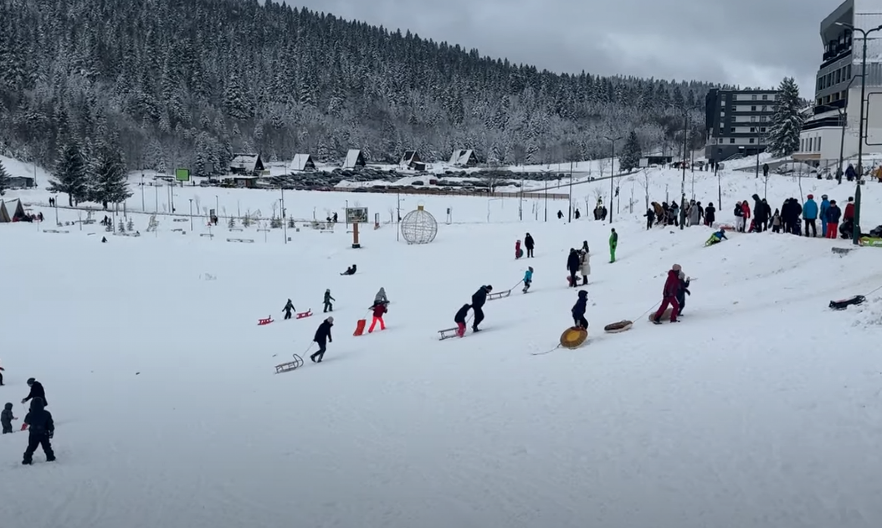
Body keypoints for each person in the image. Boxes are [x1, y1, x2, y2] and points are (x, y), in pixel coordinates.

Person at [22, 397, 55, 465]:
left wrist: (31, 412)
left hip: (33, 433)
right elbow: (50, 424)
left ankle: (27, 459)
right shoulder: (46, 413)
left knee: (31, 447)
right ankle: (50, 457)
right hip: (44, 433)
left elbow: (27, 421)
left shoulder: (30, 414)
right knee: (46, 446)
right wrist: (51, 431)